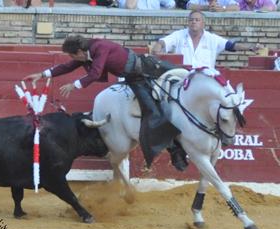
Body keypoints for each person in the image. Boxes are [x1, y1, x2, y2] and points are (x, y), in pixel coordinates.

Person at [24, 35, 188, 171]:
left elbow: (95, 73)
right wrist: (42, 75)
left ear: (80, 51)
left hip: (149, 69)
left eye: (73, 55)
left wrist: (74, 85)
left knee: (181, 86)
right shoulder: (86, 54)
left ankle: (177, 149)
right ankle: (174, 147)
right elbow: (67, 67)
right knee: (151, 110)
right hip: (136, 78)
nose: (73, 59)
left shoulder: (99, 48)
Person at [152, 10, 262, 69]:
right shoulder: (179, 35)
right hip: (183, 77)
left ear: (203, 23)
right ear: (188, 22)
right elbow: (164, 41)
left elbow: (231, 45)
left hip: (205, 79)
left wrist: (250, 47)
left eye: (197, 20)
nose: (193, 22)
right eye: (191, 20)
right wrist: (158, 45)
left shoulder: (212, 38)